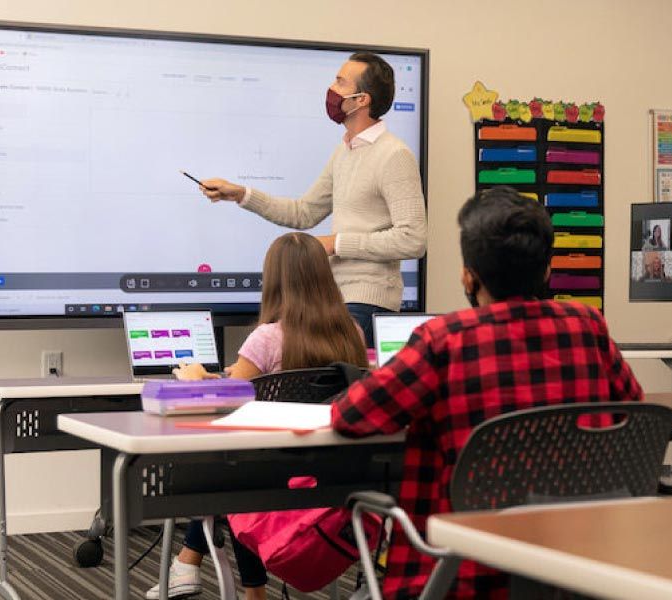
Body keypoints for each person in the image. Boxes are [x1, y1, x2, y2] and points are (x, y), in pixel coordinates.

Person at [330, 187, 643, 599]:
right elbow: (634, 410)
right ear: (547, 271)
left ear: (468, 276)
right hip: (579, 570)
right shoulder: (588, 325)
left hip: (462, 574)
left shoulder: (444, 340)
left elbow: (350, 417)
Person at [147, 232, 369, 600]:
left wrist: (194, 376)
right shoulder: (353, 333)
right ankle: (190, 566)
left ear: (275, 281)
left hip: (271, 475)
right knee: (234, 474)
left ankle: (228, 582)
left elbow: (228, 396)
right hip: (331, 472)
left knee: (224, 475)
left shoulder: (265, 338)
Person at [197, 52, 427, 346]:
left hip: (367, 305)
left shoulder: (394, 155)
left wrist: (336, 243)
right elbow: (304, 213)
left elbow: (413, 239)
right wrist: (242, 194)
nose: (331, 89)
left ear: (361, 100)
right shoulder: (346, 151)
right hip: (335, 299)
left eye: (340, 82)